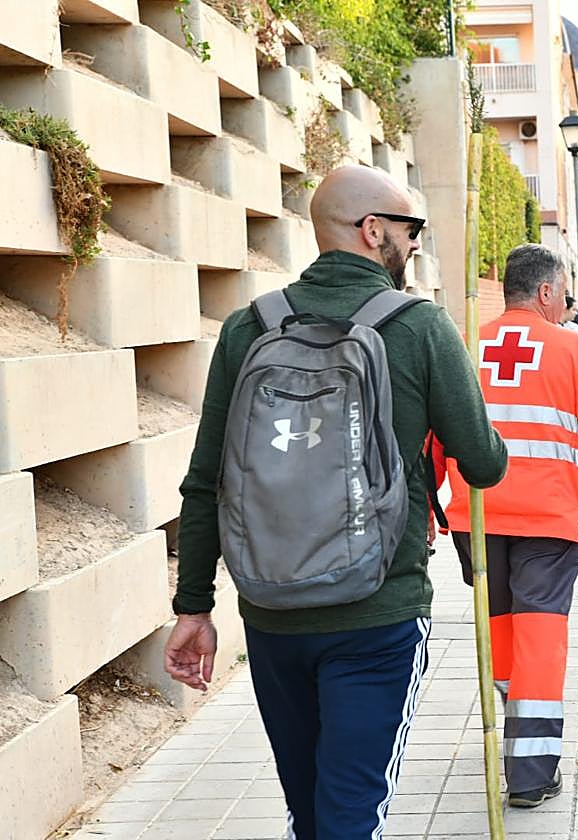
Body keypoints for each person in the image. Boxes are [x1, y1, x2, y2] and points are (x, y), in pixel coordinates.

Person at [165, 165, 508, 839]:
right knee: (352, 814)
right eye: (410, 229)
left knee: (311, 815)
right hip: (376, 612)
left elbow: (207, 479)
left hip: (272, 614)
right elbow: (484, 463)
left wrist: (193, 607)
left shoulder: (247, 328)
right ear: (372, 230)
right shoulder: (418, 326)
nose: (414, 244)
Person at [438, 244, 578, 807]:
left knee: (501, 631)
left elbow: (436, 430)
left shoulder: (466, 347)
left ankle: (515, 732)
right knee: (539, 639)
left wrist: (423, 504)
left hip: (477, 519)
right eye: (565, 291)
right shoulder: (573, 348)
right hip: (549, 519)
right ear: (547, 292)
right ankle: (529, 770)